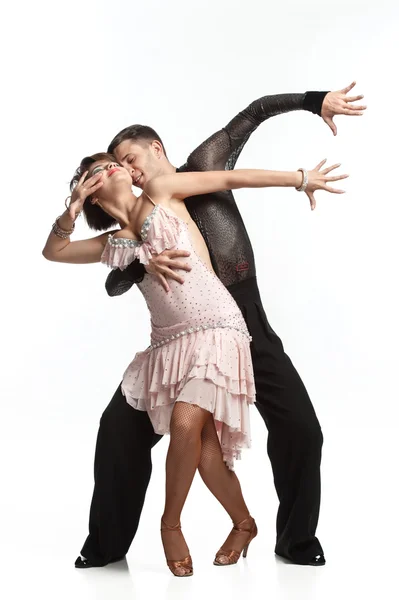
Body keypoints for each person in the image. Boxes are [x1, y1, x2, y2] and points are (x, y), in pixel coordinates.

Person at [70, 83, 365, 570]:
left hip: (243, 321)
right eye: (120, 165)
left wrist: (316, 102)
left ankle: (295, 540)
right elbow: (114, 280)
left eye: (130, 158)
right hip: (184, 335)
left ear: (155, 148)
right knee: (117, 431)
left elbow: (255, 113)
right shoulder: (142, 214)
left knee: (301, 429)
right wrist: (141, 262)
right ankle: (105, 544)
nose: (131, 172)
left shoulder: (204, 160)